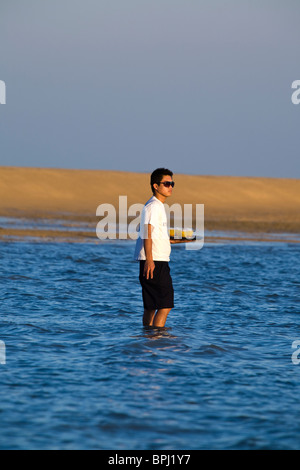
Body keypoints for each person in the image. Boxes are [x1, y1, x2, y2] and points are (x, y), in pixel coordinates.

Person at [134, 168, 194, 328]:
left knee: (151, 306)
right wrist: (150, 260)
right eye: (167, 183)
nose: (171, 187)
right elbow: (147, 234)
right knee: (165, 305)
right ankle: (158, 338)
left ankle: (148, 337)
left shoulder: (157, 206)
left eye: (172, 183)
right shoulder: (154, 206)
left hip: (155, 259)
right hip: (155, 262)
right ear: (155, 185)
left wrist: (178, 240)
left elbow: (156, 236)